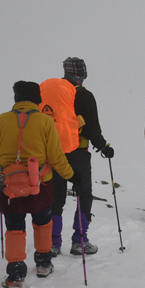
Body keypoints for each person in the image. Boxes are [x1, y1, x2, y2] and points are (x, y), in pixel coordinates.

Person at [0, 81, 74, 288]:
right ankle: (43, 264)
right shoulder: (44, 121)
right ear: (37, 100)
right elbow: (56, 156)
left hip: (9, 187)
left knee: (15, 227)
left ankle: (15, 275)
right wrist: (71, 176)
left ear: (16, 98)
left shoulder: (1, 120)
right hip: (40, 184)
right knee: (42, 222)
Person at [40, 57, 114, 257]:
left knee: (56, 197)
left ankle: (53, 243)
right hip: (78, 154)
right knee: (83, 195)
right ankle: (79, 241)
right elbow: (92, 128)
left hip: (54, 154)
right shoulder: (85, 95)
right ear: (83, 74)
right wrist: (104, 147)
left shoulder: (50, 94)